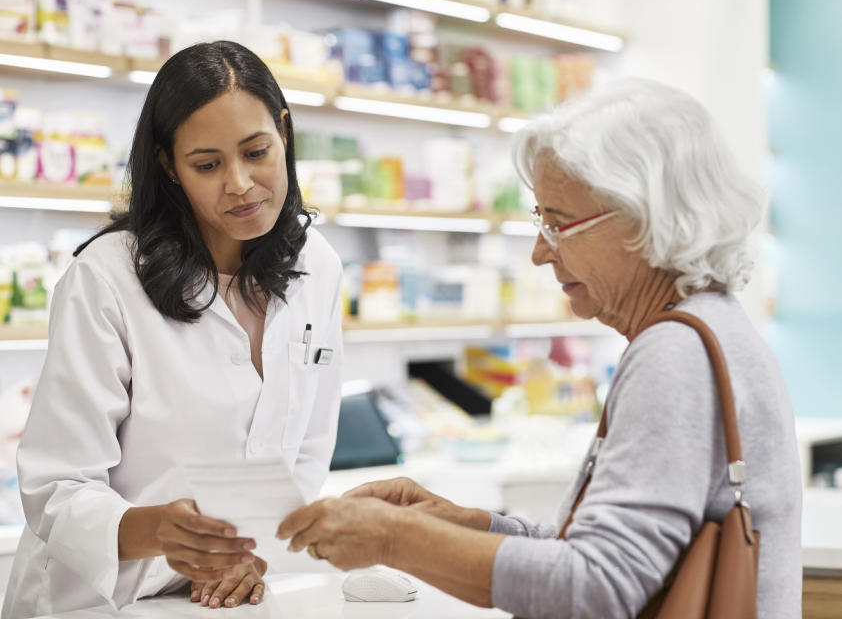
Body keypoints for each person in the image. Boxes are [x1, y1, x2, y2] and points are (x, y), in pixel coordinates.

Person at [276, 78, 802, 618]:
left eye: (558, 222)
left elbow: (597, 588)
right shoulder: (712, 326)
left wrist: (396, 538)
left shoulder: (675, 353)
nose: (538, 253)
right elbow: (612, 553)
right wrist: (465, 525)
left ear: (645, 220)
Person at [3, 41, 343, 619]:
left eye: (256, 151)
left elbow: (307, 451)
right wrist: (155, 529)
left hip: (223, 601)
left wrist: (256, 554)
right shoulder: (107, 279)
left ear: (284, 132)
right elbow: (55, 486)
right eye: (207, 165)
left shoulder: (319, 266)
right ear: (168, 165)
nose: (239, 183)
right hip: (95, 602)